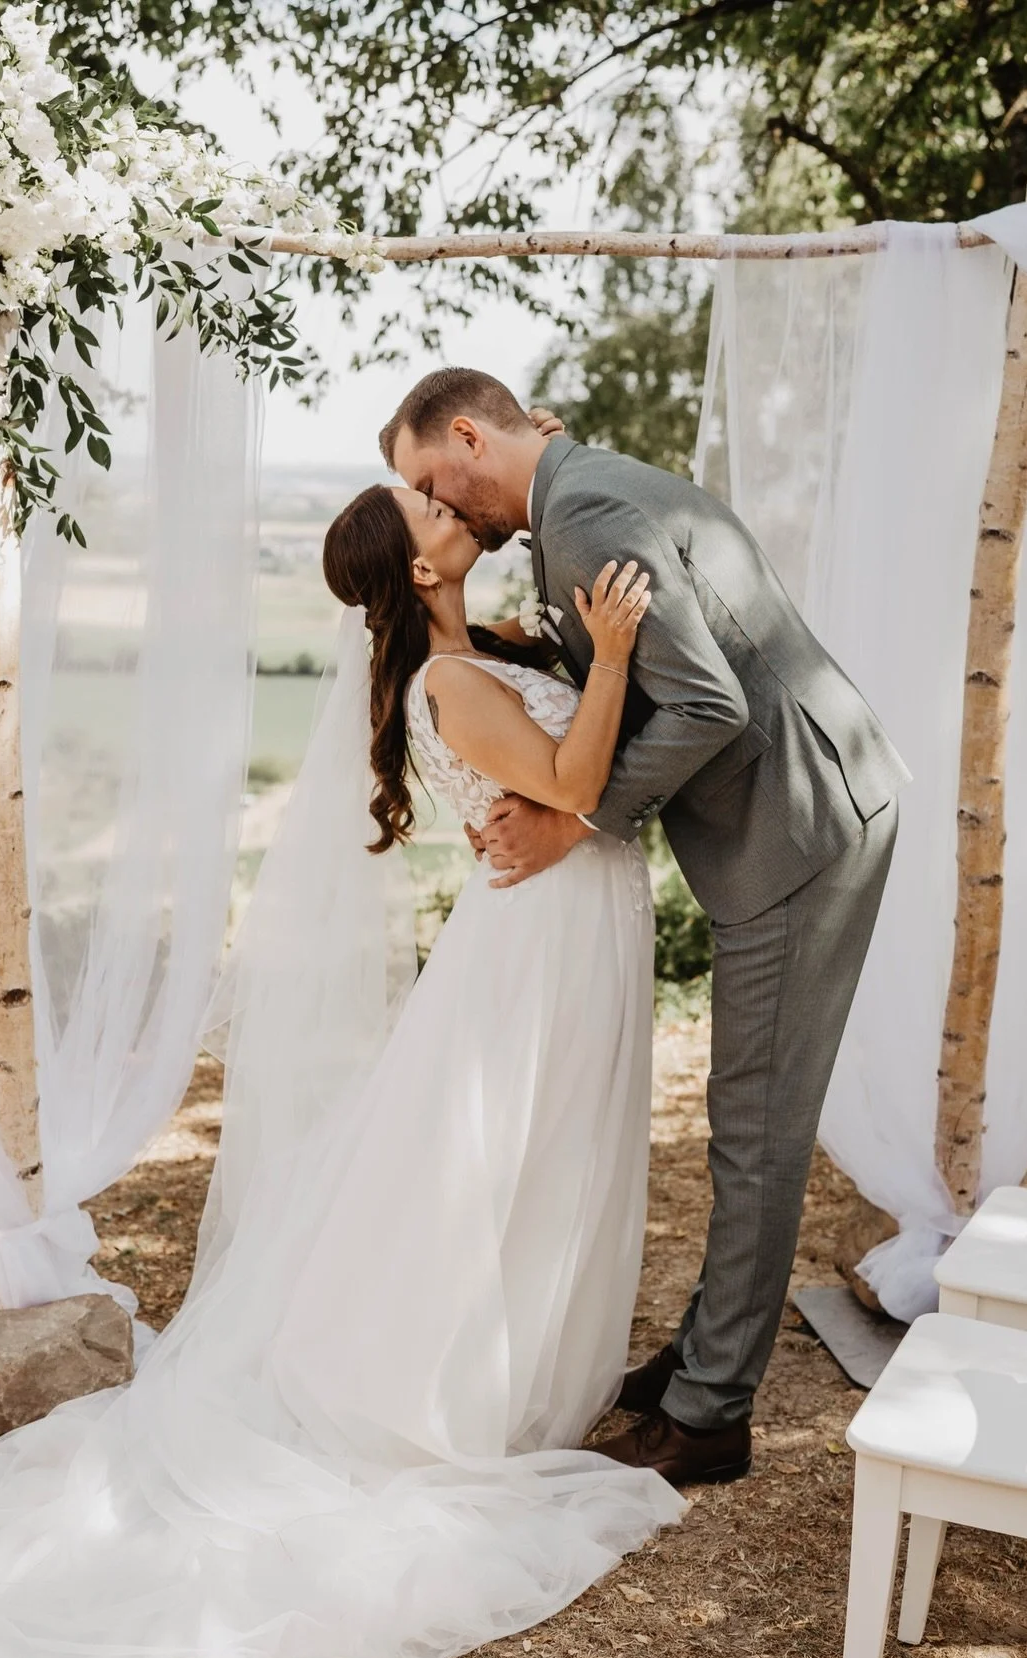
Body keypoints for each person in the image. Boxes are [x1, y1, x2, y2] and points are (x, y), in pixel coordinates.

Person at [0, 465, 686, 1658]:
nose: (457, 511)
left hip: (572, 927)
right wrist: (610, 655)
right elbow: (569, 783)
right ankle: (455, 1383)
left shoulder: (491, 642)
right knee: (517, 1152)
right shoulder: (450, 681)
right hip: (539, 946)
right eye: (436, 515)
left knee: (541, 1153)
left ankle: (523, 1359)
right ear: (418, 569)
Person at [383, 368, 909, 1486]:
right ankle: (703, 1355)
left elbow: (708, 702)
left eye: (434, 480)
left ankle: (712, 1409)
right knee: (742, 1115)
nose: (441, 506)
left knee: (755, 1125)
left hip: (800, 826)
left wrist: (579, 826)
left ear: (471, 436)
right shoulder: (582, 491)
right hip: (805, 800)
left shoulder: (581, 518)